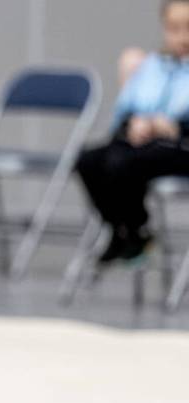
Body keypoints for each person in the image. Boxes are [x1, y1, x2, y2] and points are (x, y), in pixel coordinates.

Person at [76, 0, 189, 267]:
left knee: (122, 165)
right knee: (88, 160)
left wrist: (169, 127)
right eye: (174, 28)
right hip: (144, 141)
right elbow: (127, 110)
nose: (183, 36)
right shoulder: (152, 66)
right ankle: (125, 230)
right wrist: (136, 124)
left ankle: (136, 226)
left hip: (180, 146)